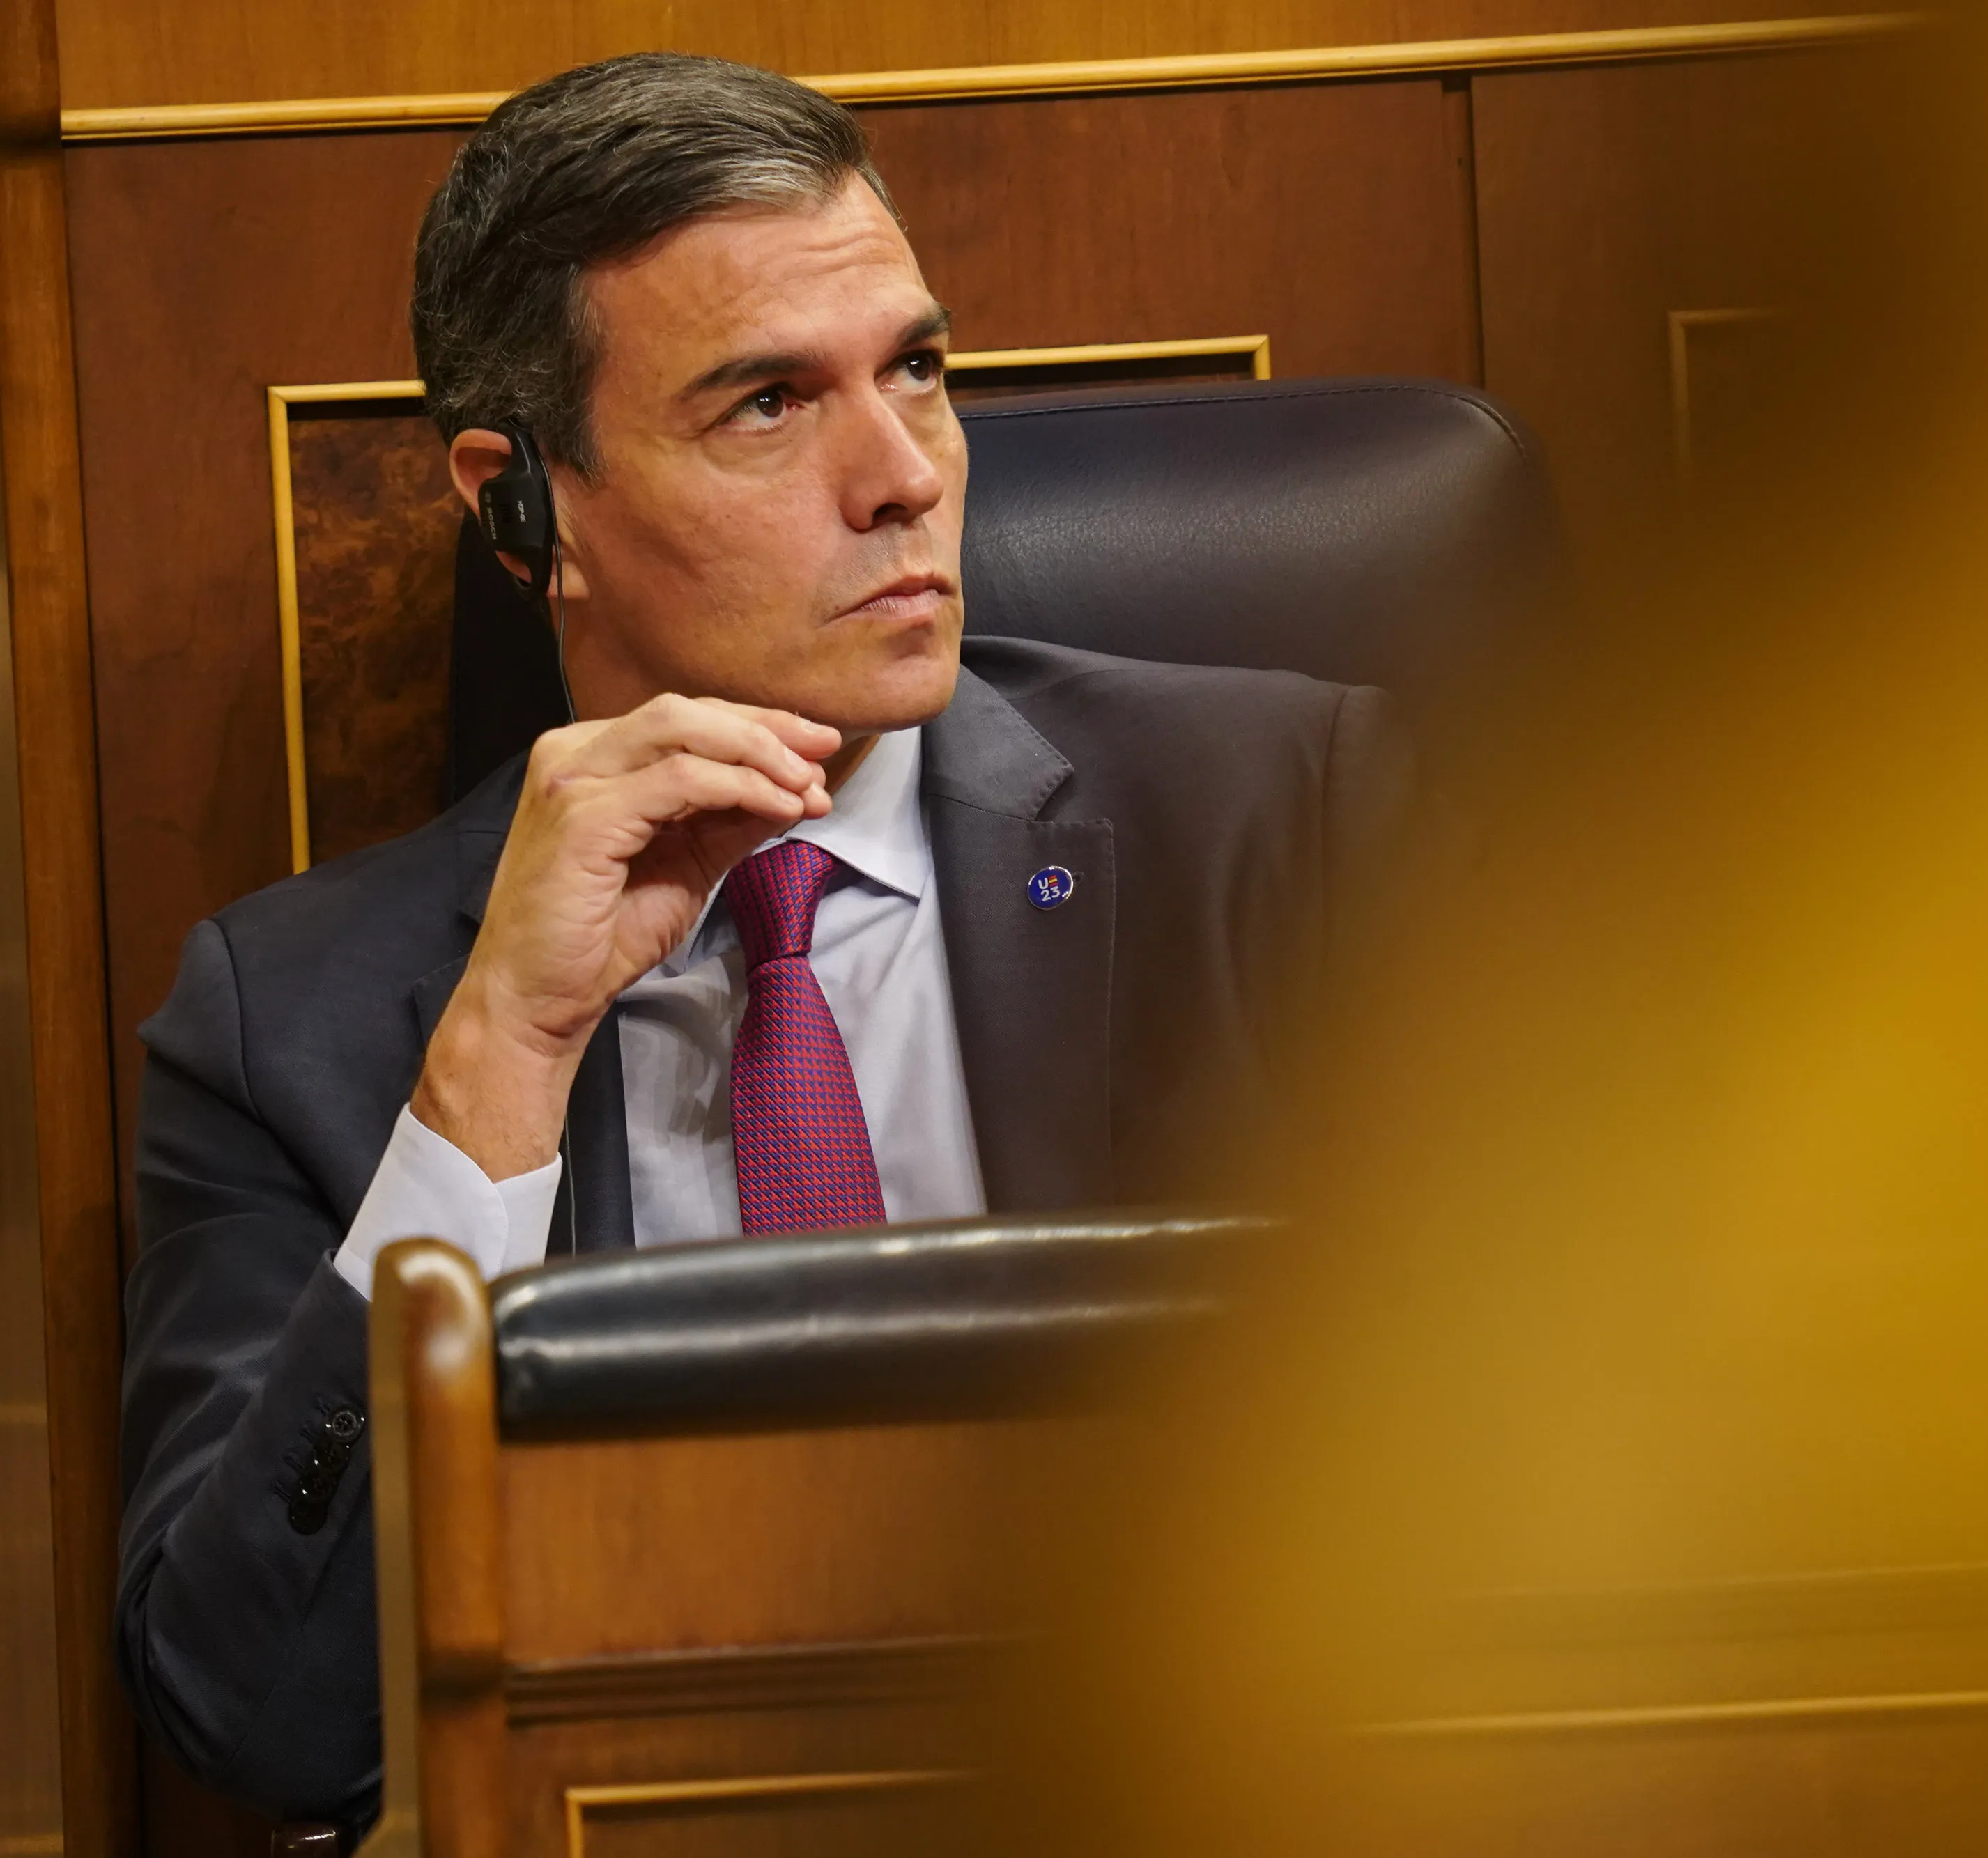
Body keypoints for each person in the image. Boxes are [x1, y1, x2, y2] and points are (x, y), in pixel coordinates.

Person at [114, 52, 1406, 1826]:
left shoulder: (1292, 820)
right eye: (767, 406)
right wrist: (498, 1067)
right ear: (523, 500)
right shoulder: (291, 1021)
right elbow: (259, 1721)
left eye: (919, 373)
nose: (905, 478)